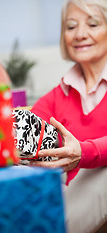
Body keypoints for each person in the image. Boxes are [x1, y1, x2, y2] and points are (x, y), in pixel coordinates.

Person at [30, 0, 107, 185]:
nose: (80, 34)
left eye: (93, 24)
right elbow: (24, 138)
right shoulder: (56, 98)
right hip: (71, 203)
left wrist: (84, 152)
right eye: (71, 26)